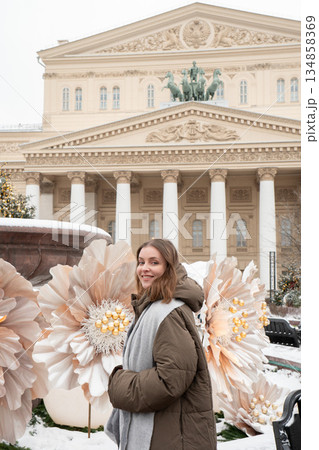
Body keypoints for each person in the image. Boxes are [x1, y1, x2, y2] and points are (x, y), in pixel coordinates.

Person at [105, 238, 217, 450]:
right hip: (163, 430)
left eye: (154, 263)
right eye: (141, 262)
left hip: (168, 436)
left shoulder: (168, 312)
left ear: (169, 268)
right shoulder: (154, 306)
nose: (144, 269)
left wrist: (119, 385)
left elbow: (171, 379)